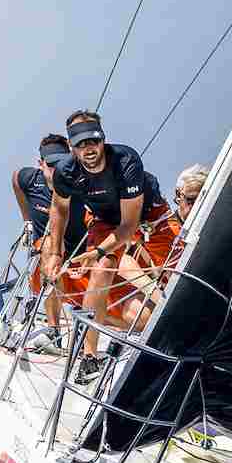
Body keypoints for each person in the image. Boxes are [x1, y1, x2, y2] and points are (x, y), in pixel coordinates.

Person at [43, 111, 182, 367]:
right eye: (81, 144)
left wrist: (96, 251)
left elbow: (129, 227)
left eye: (93, 141)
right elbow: (59, 208)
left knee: (181, 270)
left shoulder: (126, 160)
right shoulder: (65, 172)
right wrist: (54, 252)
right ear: (72, 148)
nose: (89, 149)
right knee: (102, 269)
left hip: (148, 215)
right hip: (106, 220)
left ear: (102, 139)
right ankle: (89, 356)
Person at [11, 134, 90, 348]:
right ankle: (54, 332)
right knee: (48, 246)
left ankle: (85, 337)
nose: (56, 170)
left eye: (62, 163)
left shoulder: (79, 184)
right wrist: (27, 220)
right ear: (41, 164)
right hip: (47, 251)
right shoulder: (29, 179)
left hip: (78, 251)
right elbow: (16, 179)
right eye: (51, 165)